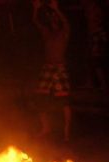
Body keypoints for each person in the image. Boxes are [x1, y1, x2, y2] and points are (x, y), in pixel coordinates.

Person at [32, 0, 71, 142]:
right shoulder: (47, 33)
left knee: (64, 102)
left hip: (60, 67)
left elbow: (66, 24)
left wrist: (57, 10)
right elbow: (36, 21)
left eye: (55, 19)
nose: (53, 21)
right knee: (39, 98)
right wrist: (35, 8)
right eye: (52, 19)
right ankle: (45, 128)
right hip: (48, 67)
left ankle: (66, 131)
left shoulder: (64, 33)